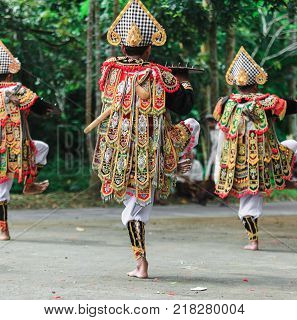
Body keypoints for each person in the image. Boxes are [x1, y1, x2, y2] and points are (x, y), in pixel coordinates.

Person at [91, 0, 200, 279]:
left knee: (132, 208)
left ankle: (141, 263)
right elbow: (183, 105)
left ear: (122, 47)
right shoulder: (160, 74)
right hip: (152, 154)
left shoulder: (110, 70)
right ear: (149, 47)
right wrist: (184, 79)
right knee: (192, 124)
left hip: (118, 155)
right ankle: (183, 158)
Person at [213, 47, 297, 251]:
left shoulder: (227, 104)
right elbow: (287, 106)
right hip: (264, 163)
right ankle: (285, 177)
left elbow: (221, 130)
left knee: (247, 204)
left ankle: (253, 241)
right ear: (255, 83)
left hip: (238, 164)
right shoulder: (266, 101)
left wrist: (220, 165)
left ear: (237, 84)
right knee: (292, 145)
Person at [0, 36, 59, 241]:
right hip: (14, 150)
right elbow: (38, 105)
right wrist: (53, 109)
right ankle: (29, 184)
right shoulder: (15, 89)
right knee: (42, 149)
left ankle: (4, 230)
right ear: (10, 72)